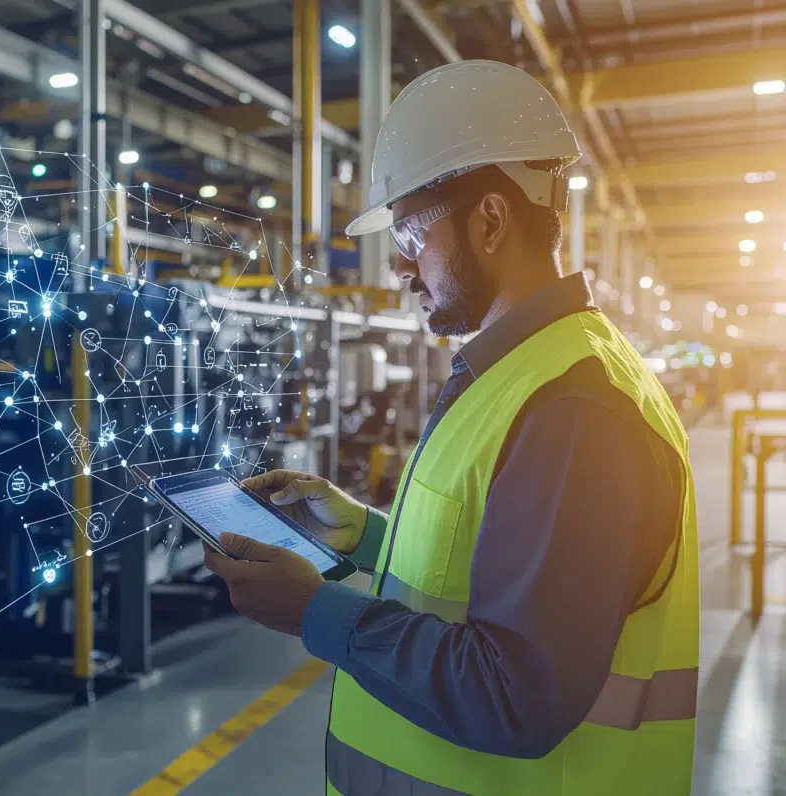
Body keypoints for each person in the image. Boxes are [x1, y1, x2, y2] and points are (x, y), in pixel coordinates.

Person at [204, 60, 699, 796]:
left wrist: (315, 612)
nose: (402, 267)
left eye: (409, 232)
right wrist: (366, 536)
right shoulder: (518, 374)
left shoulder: (574, 409)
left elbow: (514, 697)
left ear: (491, 220)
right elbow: (499, 568)